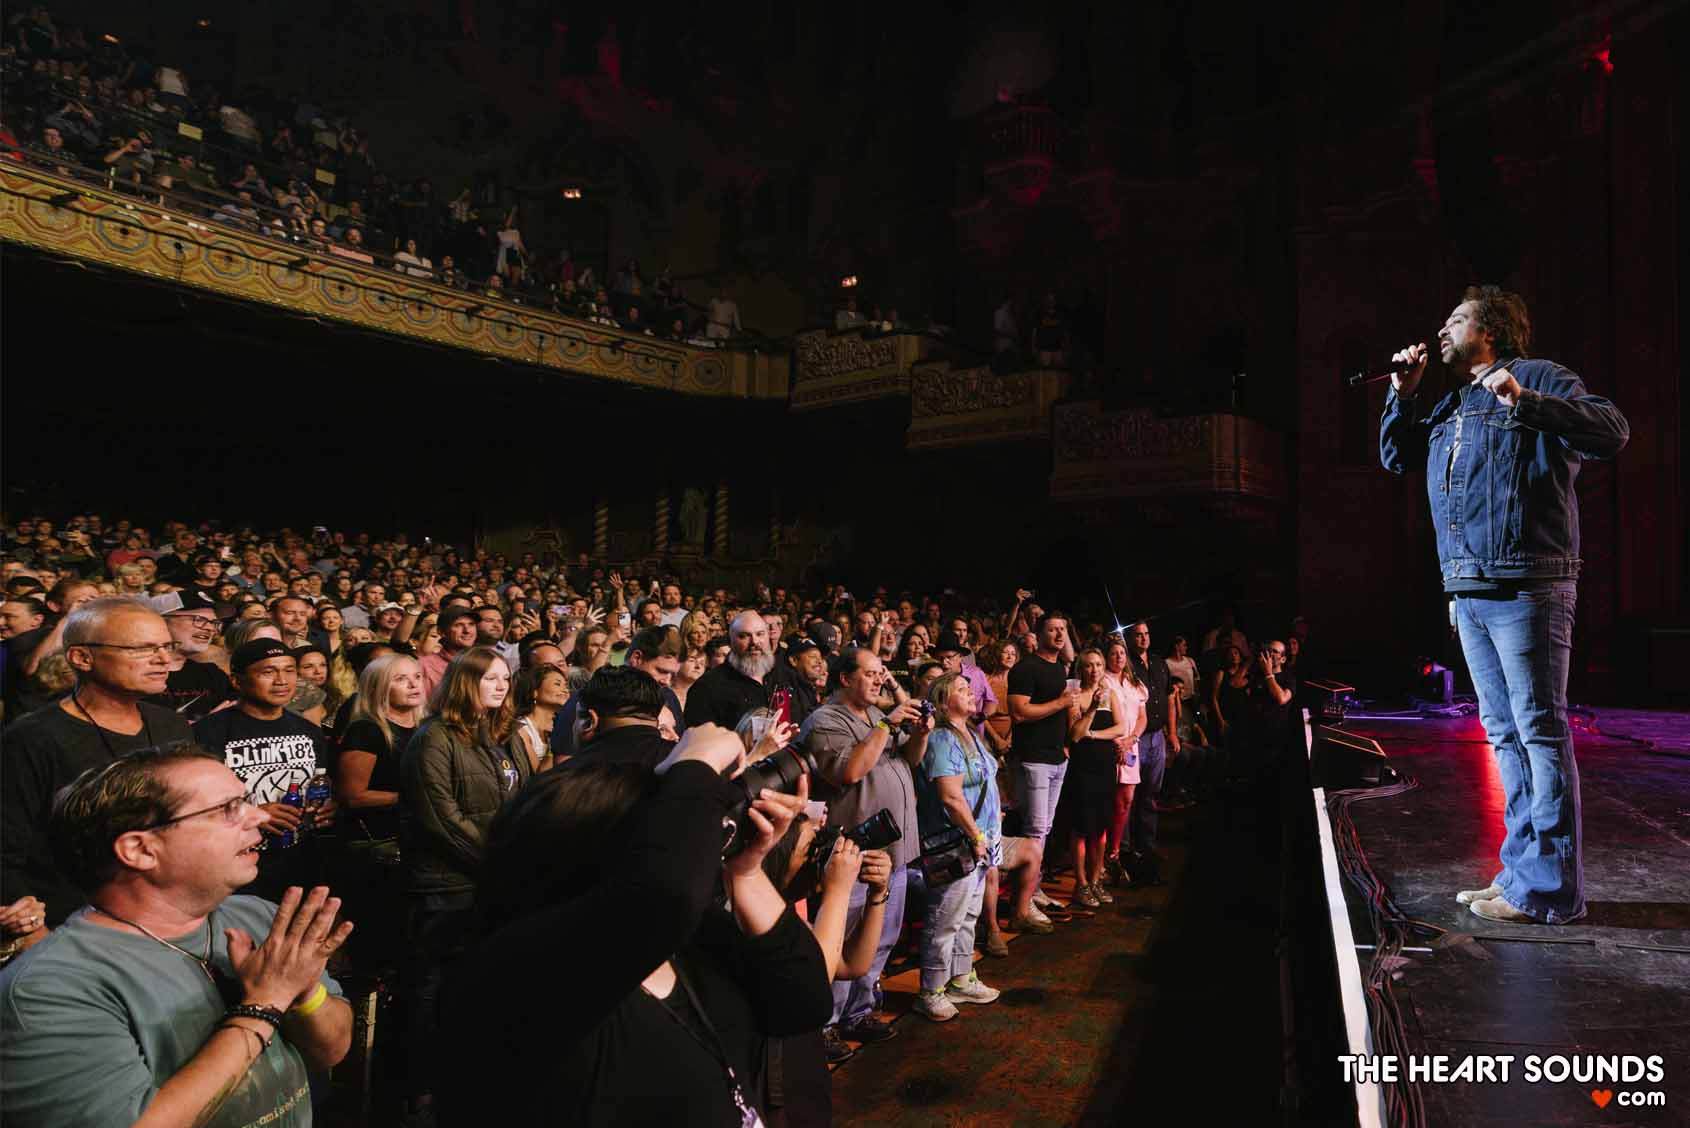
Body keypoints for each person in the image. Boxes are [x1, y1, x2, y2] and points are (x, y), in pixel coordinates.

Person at [1380, 285, 1628, 924]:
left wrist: (1529, 401)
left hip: (1527, 582)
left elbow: (1611, 430)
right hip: (1469, 585)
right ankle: (1521, 876)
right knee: (1504, 735)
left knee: (1539, 731)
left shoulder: (1537, 376)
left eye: (1455, 319)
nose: (1441, 331)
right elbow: (1395, 455)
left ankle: (1550, 888)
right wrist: (1403, 395)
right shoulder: (1452, 403)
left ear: (1491, 330)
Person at [439, 724, 831, 1126]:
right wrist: (696, 766)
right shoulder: (516, 972)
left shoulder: (686, 941)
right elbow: (663, 893)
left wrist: (745, 872)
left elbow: (803, 999)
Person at [0, 745, 353, 1128]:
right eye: (227, 808)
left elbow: (331, 1051)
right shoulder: (47, 988)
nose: (256, 816)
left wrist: (304, 993)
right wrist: (266, 1002)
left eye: (246, 801)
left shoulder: (256, 916)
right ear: (140, 849)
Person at [2, 599, 193, 928]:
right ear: (81, 657)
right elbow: (5, 854)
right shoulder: (32, 739)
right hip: (74, 929)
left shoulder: (171, 725)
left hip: (168, 916)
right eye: (141, 648)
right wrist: (31, 935)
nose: (164, 659)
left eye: (167, 646)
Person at [398, 645, 525, 1122]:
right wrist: (501, 866)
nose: (500, 685)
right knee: (436, 987)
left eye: (504, 678)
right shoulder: (434, 737)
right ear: (462, 682)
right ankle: (426, 1090)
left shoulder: (495, 735)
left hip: (489, 882)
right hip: (445, 886)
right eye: (489, 678)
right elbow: (441, 821)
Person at [799, 645, 929, 1047]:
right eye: (871, 673)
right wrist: (887, 725)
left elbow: (909, 761)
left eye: (881, 673)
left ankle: (860, 1013)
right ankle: (827, 1024)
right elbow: (851, 771)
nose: (879, 680)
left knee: (882, 938)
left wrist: (920, 735)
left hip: (894, 853)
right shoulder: (825, 720)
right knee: (844, 940)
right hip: (854, 855)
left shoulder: (875, 715)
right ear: (844, 678)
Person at [192, 640, 338, 902]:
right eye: (268, 672)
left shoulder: (309, 732)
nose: (282, 680)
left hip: (299, 861)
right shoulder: (207, 733)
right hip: (235, 866)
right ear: (237, 681)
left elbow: (322, 783)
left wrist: (328, 806)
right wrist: (251, 813)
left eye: (289, 670)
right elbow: (193, 804)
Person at [913, 672, 1003, 1022]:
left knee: (968, 914)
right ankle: (931, 989)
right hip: (959, 842)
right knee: (945, 916)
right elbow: (950, 796)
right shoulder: (940, 739)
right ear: (942, 699)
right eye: (962, 689)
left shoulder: (969, 734)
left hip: (980, 840)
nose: (971, 693)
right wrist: (976, 836)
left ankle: (961, 978)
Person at [1006, 613, 1078, 883]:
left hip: (1057, 757)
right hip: (1034, 759)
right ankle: (1026, 897)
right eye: (1052, 630)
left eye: (1063, 629)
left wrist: (1065, 746)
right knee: (1034, 829)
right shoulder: (1026, 669)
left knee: (1044, 828)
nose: (1059, 635)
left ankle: (1033, 889)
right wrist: (1061, 704)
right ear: (1038, 634)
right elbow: (1019, 713)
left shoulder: (1059, 668)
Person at [1063, 649, 1128, 908]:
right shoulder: (1074, 697)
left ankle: (1095, 880)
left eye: (1099, 665)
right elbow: (1075, 735)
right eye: (1089, 665)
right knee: (1081, 828)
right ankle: (1081, 884)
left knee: (1101, 827)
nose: (1094, 670)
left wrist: (1096, 735)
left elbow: (1121, 727)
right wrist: (1091, 709)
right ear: (1081, 668)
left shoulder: (1110, 694)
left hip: (1104, 765)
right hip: (1082, 767)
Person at [1122, 622, 1178, 879]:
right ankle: (1125, 851)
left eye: (1146, 634)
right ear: (1130, 638)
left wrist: (1173, 733)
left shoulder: (1158, 663)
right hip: (1136, 738)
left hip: (1156, 736)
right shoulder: (1126, 664)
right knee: (1128, 797)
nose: (1143, 638)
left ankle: (1148, 846)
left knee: (1150, 795)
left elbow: (1169, 699)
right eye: (1138, 635)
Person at [683, 611, 775, 730]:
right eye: (744, 636)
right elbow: (700, 743)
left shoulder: (783, 675)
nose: (754, 642)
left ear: (768, 636)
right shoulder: (707, 687)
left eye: (760, 634)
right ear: (731, 641)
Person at [510, 662, 566, 773]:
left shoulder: (565, 723)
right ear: (534, 692)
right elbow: (539, 777)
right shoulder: (522, 729)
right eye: (557, 684)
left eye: (566, 685)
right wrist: (554, 746)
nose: (565, 690)